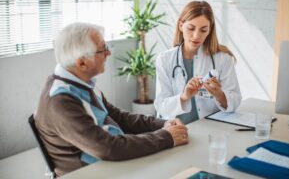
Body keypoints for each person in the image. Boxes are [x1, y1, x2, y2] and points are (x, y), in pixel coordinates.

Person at [34, 22, 189, 176]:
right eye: (103, 49)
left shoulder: (81, 82)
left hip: (110, 166)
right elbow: (108, 148)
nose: (108, 53)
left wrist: (162, 124)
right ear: (81, 62)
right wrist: (166, 137)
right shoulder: (60, 100)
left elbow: (119, 117)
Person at [154, 1, 242, 124]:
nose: (196, 36)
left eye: (203, 30)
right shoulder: (165, 59)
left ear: (209, 30)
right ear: (181, 26)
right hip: (176, 129)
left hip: (209, 127)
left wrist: (219, 95)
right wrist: (184, 96)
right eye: (191, 28)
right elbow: (161, 105)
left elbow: (236, 100)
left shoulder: (223, 59)